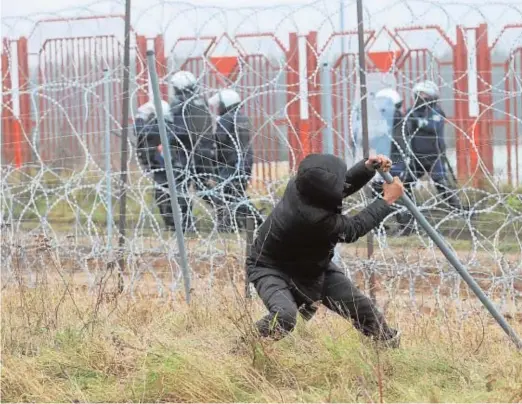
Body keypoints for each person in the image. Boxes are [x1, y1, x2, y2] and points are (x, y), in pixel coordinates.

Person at [245, 153, 404, 346]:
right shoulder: (313, 218)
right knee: (285, 316)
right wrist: (386, 200)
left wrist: (367, 168)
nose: (342, 183)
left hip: (312, 266)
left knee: (363, 309)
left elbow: (337, 186)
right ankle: (243, 349)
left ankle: (390, 348)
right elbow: (353, 229)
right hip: (270, 267)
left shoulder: (302, 185)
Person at [208, 88, 263, 232]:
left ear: (227, 103)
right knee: (236, 194)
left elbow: (219, 139)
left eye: (220, 104)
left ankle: (228, 225)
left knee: (225, 194)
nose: (218, 108)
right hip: (244, 161)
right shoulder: (241, 117)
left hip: (231, 162)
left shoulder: (226, 118)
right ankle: (254, 220)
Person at [134, 100, 191, 232]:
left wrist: (140, 117)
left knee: (166, 195)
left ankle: (178, 223)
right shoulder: (169, 125)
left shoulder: (159, 126)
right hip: (166, 165)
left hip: (166, 166)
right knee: (169, 194)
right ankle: (177, 223)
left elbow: (138, 130)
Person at [169, 70, 217, 226]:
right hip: (203, 152)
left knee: (181, 188)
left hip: (186, 153)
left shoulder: (180, 106)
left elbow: (179, 133)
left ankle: (185, 222)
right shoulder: (200, 103)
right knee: (202, 187)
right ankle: (227, 210)